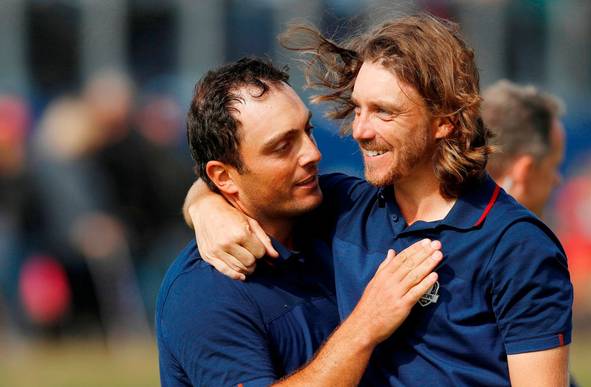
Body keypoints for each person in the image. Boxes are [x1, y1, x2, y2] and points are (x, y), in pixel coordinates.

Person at [186, 14, 573, 386]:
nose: (360, 130)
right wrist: (207, 207)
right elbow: (249, 183)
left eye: (383, 112)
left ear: (444, 121)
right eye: (358, 108)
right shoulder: (344, 206)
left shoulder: (517, 245)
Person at [156, 57, 442, 386]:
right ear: (223, 176)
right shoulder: (203, 294)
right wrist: (366, 325)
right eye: (282, 147)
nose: (312, 154)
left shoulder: (334, 205)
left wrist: (202, 202)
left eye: (307, 130)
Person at [483, 80, 566, 217]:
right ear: (525, 170)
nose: (557, 180)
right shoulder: (525, 236)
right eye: (553, 166)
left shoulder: (442, 224)